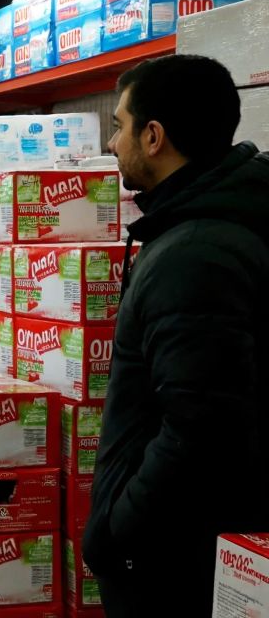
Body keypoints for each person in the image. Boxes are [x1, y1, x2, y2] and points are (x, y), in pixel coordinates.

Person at [83, 54, 269, 617]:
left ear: (154, 136)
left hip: (171, 562)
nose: (113, 143)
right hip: (191, 548)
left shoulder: (195, 254)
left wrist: (120, 532)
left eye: (119, 126)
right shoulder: (211, 225)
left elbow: (199, 429)